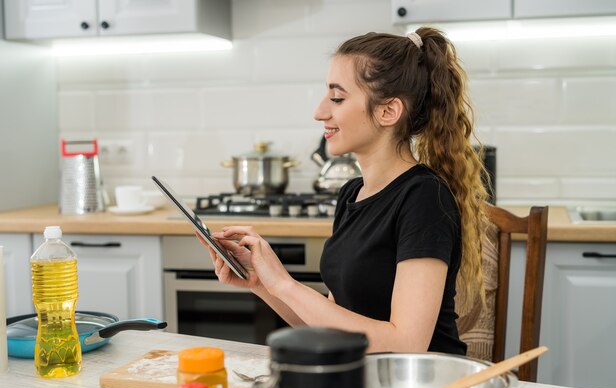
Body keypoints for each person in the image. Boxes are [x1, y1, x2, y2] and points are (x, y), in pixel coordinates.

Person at [198, 27, 488, 355]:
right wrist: (263, 284)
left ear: (388, 111)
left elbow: (407, 343)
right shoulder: (352, 194)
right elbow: (331, 326)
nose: (320, 112)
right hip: (368, 382)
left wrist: (286, 284)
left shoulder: (424, 199)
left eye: (337, 98)